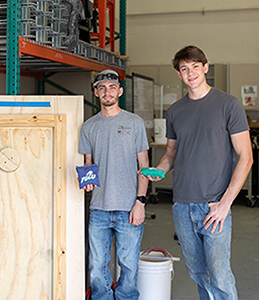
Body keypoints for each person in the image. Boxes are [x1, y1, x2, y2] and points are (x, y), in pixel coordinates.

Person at [147, 45, 253, 300]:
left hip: (214, 205)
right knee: (197, 273)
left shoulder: (228, 105)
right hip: (182, 205)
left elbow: (246, 157)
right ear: (178, 74)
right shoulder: (176, 111)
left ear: (205, 68)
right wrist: (159, 170)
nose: (190, 72)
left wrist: (225, 204)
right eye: (184, 68)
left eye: (195, 66)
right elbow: (171, 154)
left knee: (219, 274)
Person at [79, 69, 150, 300]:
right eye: (101, 88)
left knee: (129, 266)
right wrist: (87, 182)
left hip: (129, 206)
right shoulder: (89, 126)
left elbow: (144, 166)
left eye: (111, 87)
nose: (107, 92)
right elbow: (89, 163)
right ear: (96, 93)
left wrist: (140, 202)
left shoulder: (134, 122)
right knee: (97, 266)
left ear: (119, 91)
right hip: (99, 207)